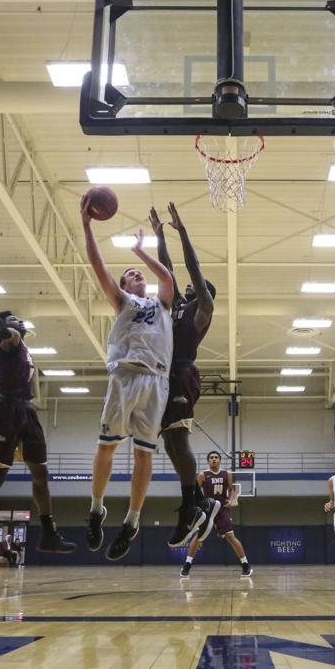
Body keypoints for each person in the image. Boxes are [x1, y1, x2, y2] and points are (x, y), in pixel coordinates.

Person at [82, 199, 176, 561]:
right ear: (122, 286)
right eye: (131, 272)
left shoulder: (163, 305)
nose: (138, 274)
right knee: (106, 447)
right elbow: (96, 265)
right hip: (124, 378)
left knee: (143, 457)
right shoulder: (122, 302)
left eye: (139, 273)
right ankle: (96, 509)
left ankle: (133, 520)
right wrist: (87, 225)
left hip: (156, 381)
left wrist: (141, 250)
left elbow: (166, 278)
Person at [0, 301, 75, 571]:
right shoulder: (10, 342)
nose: (20, 322)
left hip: (26, 411)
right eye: (15, 320)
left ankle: (48, 532)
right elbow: (6, 335)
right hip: (7, 411)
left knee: (41, 472)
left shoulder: (22, 347)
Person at [150, 202, 219, 548]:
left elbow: (190, 267)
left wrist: (182, 232)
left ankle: (192, 505)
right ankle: (197, 503)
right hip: (165, 376)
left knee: (179, 437)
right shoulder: (177, 303)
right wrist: (159, 235)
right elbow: (168, 270)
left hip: (183, 373)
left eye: (198, 285)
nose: (191, 287)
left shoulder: (202, 309)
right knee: (168, 439)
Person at [181, 451, 252, 577]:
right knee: (199, 537)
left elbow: (232, 490)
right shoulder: (203, 475)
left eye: (216, 457)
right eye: (211, 458)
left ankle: (245, 565)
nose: (214, 459)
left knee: (231, 536)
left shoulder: (227, 474)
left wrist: (232, 499)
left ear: (220, 460)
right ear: (208, 461)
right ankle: (187, 565)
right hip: (207, 509)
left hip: (222, 509)